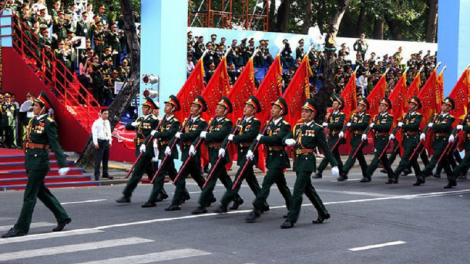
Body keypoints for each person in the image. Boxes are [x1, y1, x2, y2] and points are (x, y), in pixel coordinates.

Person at [2, 91, 71, 238]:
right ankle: (62, 216)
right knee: (41, 192)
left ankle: (21, 227)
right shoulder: (33, 120)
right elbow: (22, 121)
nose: (33, 107)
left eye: (36, 105)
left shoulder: (49, 123)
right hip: (30, 161)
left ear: (44, 108)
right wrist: (21, 111)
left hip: (40, 162)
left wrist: (62, 163)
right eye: (33, 105)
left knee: (29, 195)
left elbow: (55, 143)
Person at [280, 99, 339, 229]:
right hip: (298, 161)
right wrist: (286, 141)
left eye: (307, 112)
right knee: (308, 189)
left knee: (297, 190)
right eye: (303, 111)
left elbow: (325, 147)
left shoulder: (317, 129)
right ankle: (323, 212)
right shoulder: (298, 126)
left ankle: (292, 219)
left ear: (312, 114)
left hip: (307, 161)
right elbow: (286, 137)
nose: (304, 113)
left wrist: (334, 164)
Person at [214, 96, 266, 213]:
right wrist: (223, 146)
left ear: (253, 110)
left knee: (238, 178)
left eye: (249, 107)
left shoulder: (255, 122)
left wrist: (235, 138)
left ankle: (224, 203)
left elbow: (249, 136)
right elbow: (231, 134)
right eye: (245, 106)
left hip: (250, 153)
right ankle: (264, 203)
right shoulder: (239, 121)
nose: (245, 108)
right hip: (242, 153)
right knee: (251, 180)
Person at [245, 98, 293, 223]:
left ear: (281, 111)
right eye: (272, 108)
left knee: (266, 182)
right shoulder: (268, 124)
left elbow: (278, 139)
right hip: (271, 158)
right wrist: (251, 149)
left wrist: (263, 139)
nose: (272, 110)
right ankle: (293, 207)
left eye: (276, 108)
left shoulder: (285, 125)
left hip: (279, 157)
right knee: (282, 186)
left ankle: (257, 209)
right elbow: (257, 139)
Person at [165, 96, 214, 211]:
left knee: (181, 176)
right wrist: (170, 145)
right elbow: (178, 134)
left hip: (193, 152)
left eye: (195, 107)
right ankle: (209, 196)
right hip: (186, 151)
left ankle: (176, 202)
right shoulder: (186, 121)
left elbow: (194, 135)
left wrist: (181, 136)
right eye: (191, 106)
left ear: (200, 110)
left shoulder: (202, 123)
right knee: (198, 177)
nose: (192, 108)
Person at [191, 97, 236, 215]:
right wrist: (194, 145)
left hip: (220, 152)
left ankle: (203, 204)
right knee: (225, 178)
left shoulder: (227, 123)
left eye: (220, 108)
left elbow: (221, 134)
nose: (217, 109)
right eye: (217, 107)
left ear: (226, 111)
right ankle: (236, 198)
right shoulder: (212, 121)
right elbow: (202, 135)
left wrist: (208, 135)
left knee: (211, 178)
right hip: (212, 152)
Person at [142, 95, 184, 208]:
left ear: (173, 108)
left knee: (160, 174)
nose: (166, 107)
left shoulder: (175, 122)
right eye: (165, 105)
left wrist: (157, 134)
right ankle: (183, 193)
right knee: (173, 173)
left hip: (169, 149)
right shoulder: (164, 120)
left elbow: (169, 134)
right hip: (162, 149)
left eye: (168, 106)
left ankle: (152, 200)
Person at [116, 97, 160, 204]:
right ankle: (161, 192)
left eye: (146, 108)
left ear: (150, 110)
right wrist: (132, 124)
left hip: (147, 147)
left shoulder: (154, 120)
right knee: (151, 173)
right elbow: (127, 126)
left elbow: (152, 134)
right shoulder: (139, 119)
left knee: (137, 172)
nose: (144, 109)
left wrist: (145, 144)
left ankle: (127, 194)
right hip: (139, 146)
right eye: (143, 107)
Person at [419, 97, 457, 188]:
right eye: (443, 104)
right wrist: (424, 132)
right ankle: (452, 179)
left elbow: (444, 127)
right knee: (445, 162)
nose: (443, 106)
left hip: (443, 140)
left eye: (446, 106)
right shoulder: (436, 115)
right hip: (436, 140)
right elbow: (429, 124)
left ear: (449, 108)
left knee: (435, 157)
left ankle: (424, 174)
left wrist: (434, 126)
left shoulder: (450, 118)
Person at [390, 97, 423, 185]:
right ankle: (420, 177)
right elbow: (398, 125)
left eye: (412, 104)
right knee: (413, 160)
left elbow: (414, 126)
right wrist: (393, 133)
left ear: (416, 107)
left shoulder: (418, 116)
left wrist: (404, 126)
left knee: (405, 158)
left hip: (413, 140)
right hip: (406, 139)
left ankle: (395, 176)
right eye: (410, 104)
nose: (410, 106)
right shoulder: (405, 115)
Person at [337, 99, 371, 181]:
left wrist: (352, 125)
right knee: (360, 157)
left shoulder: (366, 116)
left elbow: (363, 124)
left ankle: (344, 172)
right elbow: (347, 124)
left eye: (360, 106)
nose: (358, 107)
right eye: (358, 105)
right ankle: (367, 175)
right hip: (354, 138)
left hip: (361, 138)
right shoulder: (354, 116)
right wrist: (342, 131)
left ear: (364, 108)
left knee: (352, 155)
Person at [362, 98, 394, 183]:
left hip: (383, 139)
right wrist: (365, 133)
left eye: (383, 105)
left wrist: (375, 126)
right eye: (381, 105)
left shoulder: (389, 117)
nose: (381, 107)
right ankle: (392, 176)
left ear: (387, 107)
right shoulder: (377, 117)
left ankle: (367, 175)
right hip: (377, 139)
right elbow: (370, 126)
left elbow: (386, 127)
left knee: (376, 158)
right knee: (384, 160)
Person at [314, 97, 345, 178]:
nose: (333, 105)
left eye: (336, 104)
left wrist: (328, 125)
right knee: (335, 156)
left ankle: (320, 171)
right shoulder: (330, 114)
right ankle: (343, 173)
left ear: (339, 106)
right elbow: (325, 122)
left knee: (329, 153)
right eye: (333, 103)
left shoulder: (341, 115)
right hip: (331, 136)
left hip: (337, 137)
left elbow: (339, 124)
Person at [92, 108, 113, 181]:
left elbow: (109, 132)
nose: (106, 115)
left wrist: (110, 141)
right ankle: (96, 174)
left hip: (106, 141)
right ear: (101, 114)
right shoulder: (97, 122)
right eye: (105, 114)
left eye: (107, 114)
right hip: (100, 141)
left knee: (106, 158)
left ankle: (105, 173)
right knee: (98, 159)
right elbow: (94, 134)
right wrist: (96, 143)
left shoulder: (107, 122)